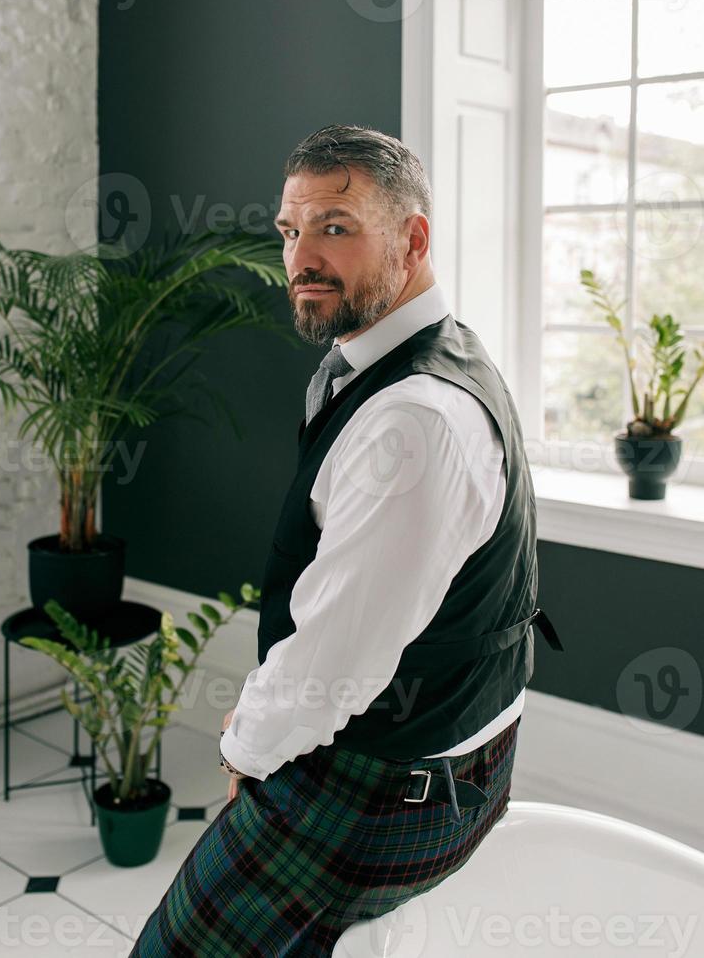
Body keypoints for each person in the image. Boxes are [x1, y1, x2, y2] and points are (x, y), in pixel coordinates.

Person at [129, 124, 562, 957]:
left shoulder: (414, 416)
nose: (301, 258)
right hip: (449, 757)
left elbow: (337, 659)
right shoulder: (417, 356)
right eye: (290, 231)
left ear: (414, 238)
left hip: (391, 791)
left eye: (335, 226)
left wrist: (248, 746)